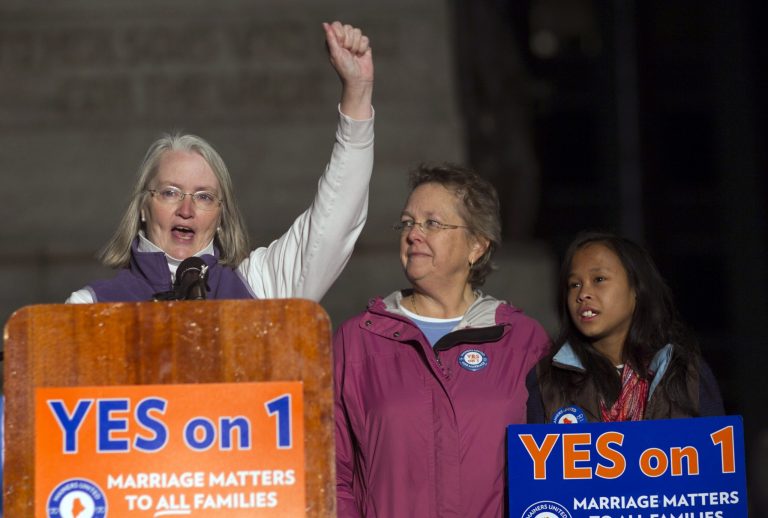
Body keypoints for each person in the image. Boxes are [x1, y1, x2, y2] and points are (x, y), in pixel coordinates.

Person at [66, 21, 374, 303]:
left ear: (221, 215)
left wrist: (358, 93)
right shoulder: (89, 306)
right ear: (143, 208)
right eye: (171, 192)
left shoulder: (260, 285)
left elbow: (333, 222)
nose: (186, 211)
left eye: (204, 197)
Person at [333, 163, 550, 517]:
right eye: (407, 223)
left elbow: (552, 471)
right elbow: (332, 470)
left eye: (432, 223)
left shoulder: (524, 341)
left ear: (477, 246)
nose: (413, 234)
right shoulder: (357, 341)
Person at [526, 231, 724, 424]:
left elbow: (716, 453)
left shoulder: (685, 373)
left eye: (599, 279)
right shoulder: (547, 380)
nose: (583, 293)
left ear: (636, 289)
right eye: (574, 284)